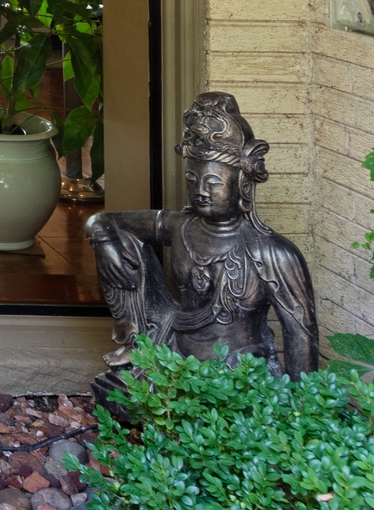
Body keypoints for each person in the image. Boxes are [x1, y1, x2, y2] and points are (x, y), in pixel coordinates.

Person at [85, 92, 317, 410]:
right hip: (172, 352)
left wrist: (302, 412)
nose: (201, 191)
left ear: (242, 184)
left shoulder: (273, 253)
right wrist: (104, 242)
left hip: (234, 371)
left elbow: (300, 334)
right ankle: (158, 386)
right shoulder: (180, 226)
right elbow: (105, 221)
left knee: (226, 412)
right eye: (192, 180)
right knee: (120, 242)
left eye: (212, 181)